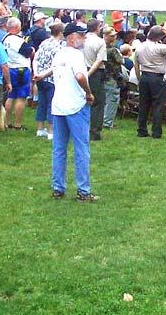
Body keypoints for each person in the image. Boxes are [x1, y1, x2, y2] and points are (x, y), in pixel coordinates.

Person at [36, 22, 97, 201]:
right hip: (76, 105)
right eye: (81, 35)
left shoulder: (59, 53)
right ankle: (83, 191)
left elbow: (54, 69)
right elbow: (79, 76)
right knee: (81, 149)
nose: (84, 39)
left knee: (59, 148)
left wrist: (42, 76)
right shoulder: (76, 55)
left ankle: (58, 188)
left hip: (59, 105)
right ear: (72, 38)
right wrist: (88, 93)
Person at [135, 25, 166, 140]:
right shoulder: (159, 47)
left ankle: (141, 129)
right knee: (158, 104)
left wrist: (139, 79)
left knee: (143, 104)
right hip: (156, 77)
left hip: (144, 76)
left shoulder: (139, 47)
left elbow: (136, 65)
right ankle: (156, 132)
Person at [2, 17, 35, 131]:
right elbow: (29, 52)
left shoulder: (5, 38)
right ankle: (17, 123)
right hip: (21, 69)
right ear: (16, 27)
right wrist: (32, 49)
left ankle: (6, 122)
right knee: (21, 97)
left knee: (10, 96)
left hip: (10, 68)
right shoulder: (17, 40)